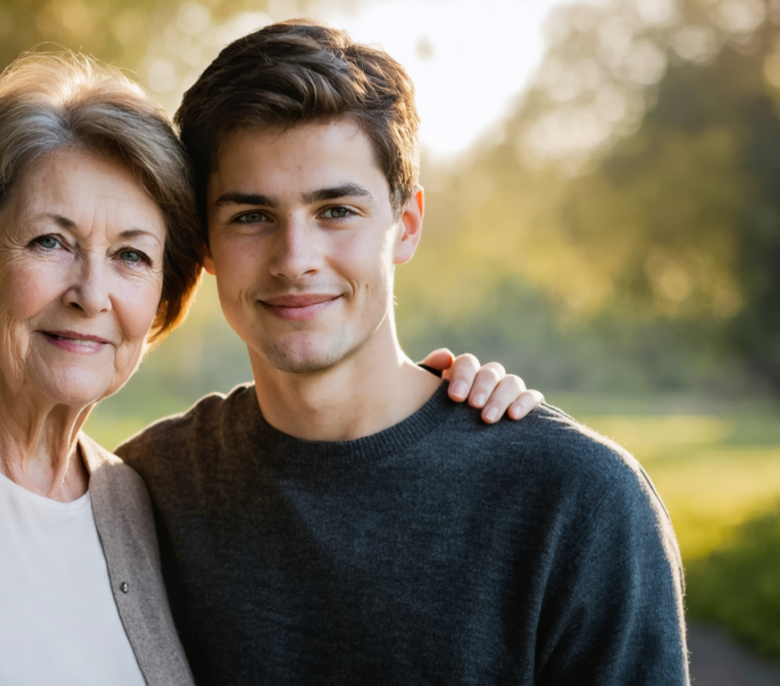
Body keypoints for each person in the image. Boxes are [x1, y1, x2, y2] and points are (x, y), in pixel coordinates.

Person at [0, 53, 538, 685]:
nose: (91, 293)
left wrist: (453, 415)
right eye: (49, 242)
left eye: (132, 256)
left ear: (166, 295)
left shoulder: (136, 500)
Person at [116, 20, 688, 686]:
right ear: (206, 244)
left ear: (406, 225)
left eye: (336, 211)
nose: (295, 261)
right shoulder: (148, 489)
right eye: (252, 216)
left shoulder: (577, 501)